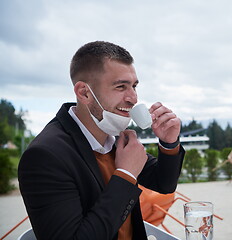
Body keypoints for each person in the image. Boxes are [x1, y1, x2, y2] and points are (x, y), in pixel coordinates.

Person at [18, 41, 185, 240]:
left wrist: (169, 143)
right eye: (121, 86)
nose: (133, 98)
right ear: (84, 93)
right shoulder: (44, 156)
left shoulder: (113, 137)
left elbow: (164, 184)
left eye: (134, 86)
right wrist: (126, 174)